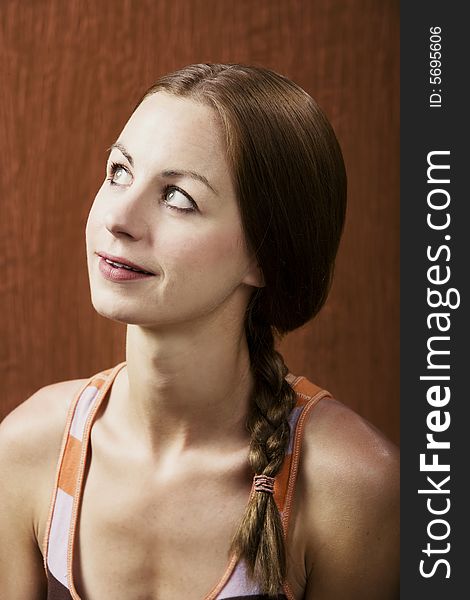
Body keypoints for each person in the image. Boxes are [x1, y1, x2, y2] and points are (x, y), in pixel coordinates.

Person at [0, 63, 399, 599]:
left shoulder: (353, 487)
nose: (118, 217)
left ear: (263, 256)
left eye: (177, 198)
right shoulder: (28, 450)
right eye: (119, 171)